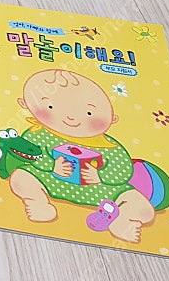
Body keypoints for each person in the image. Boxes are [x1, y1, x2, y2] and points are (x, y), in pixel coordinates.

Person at [8, 69, 155, 243]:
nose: (70, 117)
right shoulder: (39, 133)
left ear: (112, 119)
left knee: (145, 209)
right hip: (49, 180)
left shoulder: (109, 145)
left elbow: (123, 169)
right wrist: (52, 166)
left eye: (89, 113)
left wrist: (100, 176)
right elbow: (31, 153)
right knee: (20, 177)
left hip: (102, 191)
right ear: (25, 104)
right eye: (51, 107)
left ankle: (123, 221)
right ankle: (37, 203)